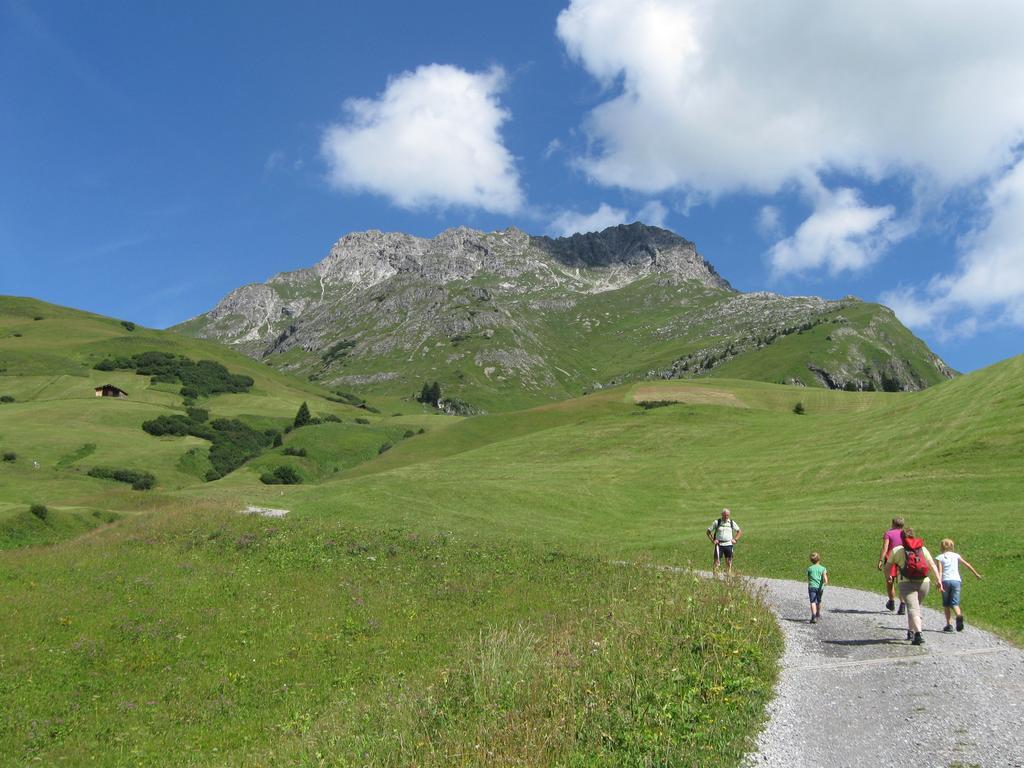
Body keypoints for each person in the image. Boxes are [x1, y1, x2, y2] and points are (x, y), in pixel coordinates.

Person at [886, 527, 943, 645]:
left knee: (913, 608)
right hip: (924, 583)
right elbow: (932, 565)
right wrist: (938, 580)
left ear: (902, 538)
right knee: (915, 607)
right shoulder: (922, 549)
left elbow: (888, 566)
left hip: (906, 583)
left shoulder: (897, 550)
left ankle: (918, 634)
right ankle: (910, 631)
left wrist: (889, 576)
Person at [935, 538, 982, 632]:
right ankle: (959, 616)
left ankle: (949, 625)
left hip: (945, 581)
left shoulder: (940, 557)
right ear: (952, 546)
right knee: (955, 603)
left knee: (946, 604)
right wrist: (976, 574)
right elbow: (967, 564)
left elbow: (940, 571)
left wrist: (939, 581)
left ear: (941, 546)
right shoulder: (956, 555)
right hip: (956, 581)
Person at [878, 517, 907, 614]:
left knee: (890, 581)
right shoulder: (905, 534)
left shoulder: (888, 533)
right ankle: (902, 605)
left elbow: (885, 548)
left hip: (890, 559)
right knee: (902, 583)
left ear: (893, 524)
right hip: (902, 559)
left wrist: (881, 560)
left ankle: (891, 601)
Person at [707, 508, 741, 575]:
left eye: (727, 515)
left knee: (729, 561)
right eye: (725, 515)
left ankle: (728, 577)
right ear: (722, 515)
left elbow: (739, 531)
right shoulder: (717, 522)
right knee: (717, 561)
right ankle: (715, 577)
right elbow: (708, 531)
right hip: (719, 545)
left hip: (729, 544)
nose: (726, 517)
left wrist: (735, 539)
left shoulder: (731, 522)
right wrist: (713, 540)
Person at [807, 552, 828, 624]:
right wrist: (824, 584)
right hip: (820, 588)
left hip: (812, 587)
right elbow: (825, 579)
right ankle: (818, 614)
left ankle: (813, 616)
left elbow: (809, 578)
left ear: (811, 560)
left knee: (812, 601)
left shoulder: (809, 568)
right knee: (818, 601)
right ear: (819, 559)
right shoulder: (823, 568)